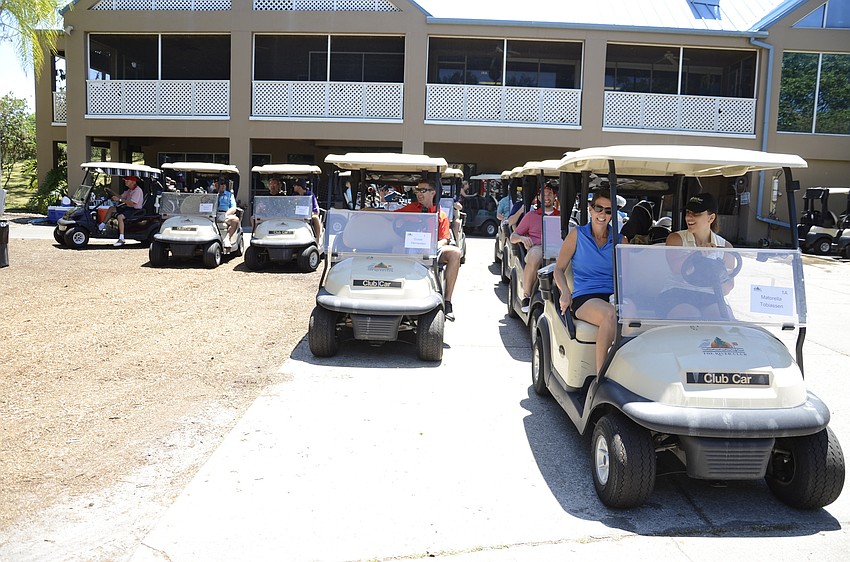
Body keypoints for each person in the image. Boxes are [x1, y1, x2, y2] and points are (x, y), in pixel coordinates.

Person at [553, 188, 626, 375]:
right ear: (590, 209)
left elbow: (627, 274)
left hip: (614, 294)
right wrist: (565, 292)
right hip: (586, 296)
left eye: (608, 211)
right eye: (599, 208)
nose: (602, 214)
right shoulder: (577, 235)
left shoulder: (619, 239)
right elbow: (559, 269)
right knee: (610, 315)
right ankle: (601, 377)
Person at [396, 180, 461, 321]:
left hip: (430, 251)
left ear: (433, 192)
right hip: (407, 250)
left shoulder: (440, 214)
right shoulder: (411, 208)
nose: (419, 193)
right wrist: (366, 211)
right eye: (418, 190)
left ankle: (448, 302)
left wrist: (432, 245)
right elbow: (391, 216)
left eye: (423, 190)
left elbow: (445, 239)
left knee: (455, 253)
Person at [663, 192, 734, 319]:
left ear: (711, 218)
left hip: (710, 296)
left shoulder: (726, 247)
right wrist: (697, 253)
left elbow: (728, 287)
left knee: (721, 318)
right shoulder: (675, 239)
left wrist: (716, 273)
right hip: (676, 293)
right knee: (690, 316)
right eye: (688, 213)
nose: (689, 218)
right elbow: (675, 269)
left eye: (696, 214)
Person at [509, 181, 560, 312]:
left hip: (557, 247)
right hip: (537, 246)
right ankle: (527, 296)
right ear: (539, 197)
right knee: (535, 256)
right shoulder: (531, 216)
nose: (547, 197)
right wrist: (522, 238)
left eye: (550, 194)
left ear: (555, 196)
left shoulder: (561, 215)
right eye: (544, 194)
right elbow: (513, 236)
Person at [100, 175, 145, 247]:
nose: (125, 182)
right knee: (111, 208)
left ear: (133, 182)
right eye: (125, 181)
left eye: (127, 181)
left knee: (120, 217)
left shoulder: (137, 191)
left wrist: (119, 200)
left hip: (135, 210)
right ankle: (101, 226)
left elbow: (132, 203)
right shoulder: (129, 190)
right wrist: (111, 191)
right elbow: (121, 197)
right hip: (128, 208)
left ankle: (121, 238)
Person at [216, 176, 239, 248]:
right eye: (220, 184)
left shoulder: (229, 195)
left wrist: (226, 215)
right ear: (216, 185)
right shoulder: (211, 194)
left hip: (225, 214)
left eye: (224, 184)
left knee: (235, 220)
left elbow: (233, 208)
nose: (223, 186)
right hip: (213, 214)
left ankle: (227, 239)